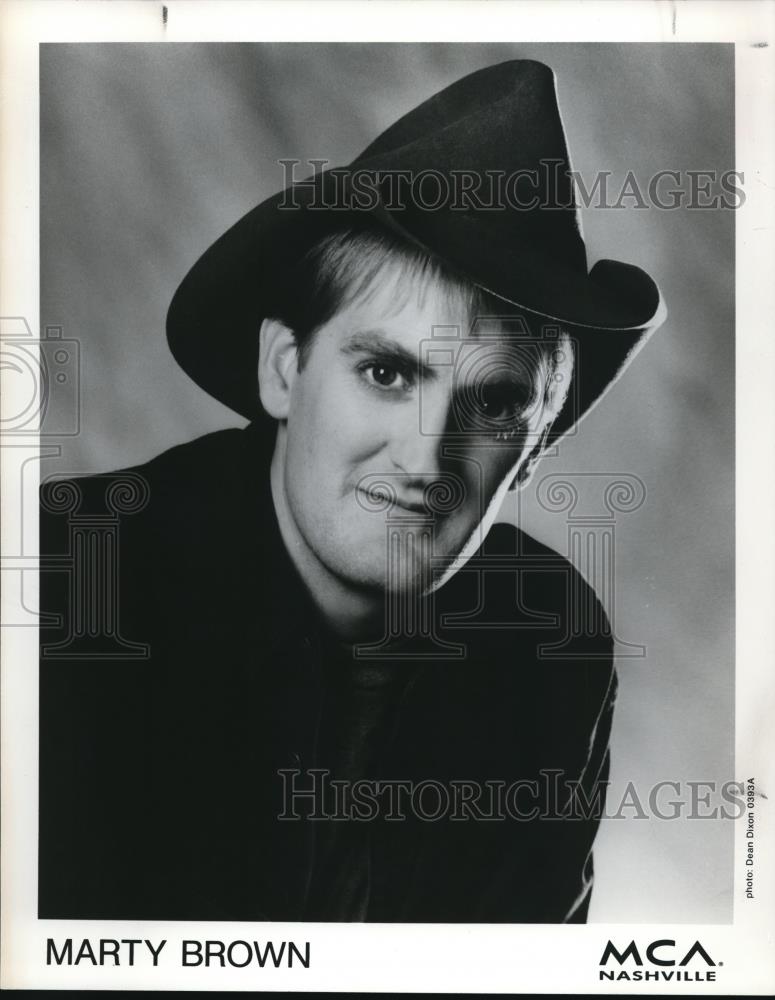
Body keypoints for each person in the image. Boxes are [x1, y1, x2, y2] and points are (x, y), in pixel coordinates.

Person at [38, 58, 665, 922]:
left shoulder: (546, 643)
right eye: (386, 372)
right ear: (283, 370)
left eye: (492, 402)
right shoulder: (68, 583)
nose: (426, 455)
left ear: (538, 442)